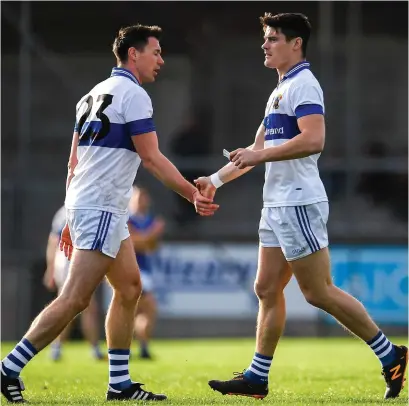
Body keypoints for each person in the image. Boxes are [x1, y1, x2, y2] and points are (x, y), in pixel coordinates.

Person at [1, 24, 218, 403]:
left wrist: (70, 215)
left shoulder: (91, 95)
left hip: (98, 207)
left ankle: (119, 384)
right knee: (74, 300)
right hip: (101, 206)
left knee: (130, 287)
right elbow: (151, 158)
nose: (161, 60)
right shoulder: (133, 95)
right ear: (133, 54)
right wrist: (191, 193)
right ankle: (7, 369)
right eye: (156, 52)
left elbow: (73, 163)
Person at [196, 12, 407, 401]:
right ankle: (257, 379)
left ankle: (391, 354)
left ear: (296, 44)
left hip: (297, 202)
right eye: (265, 38)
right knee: (265, 287)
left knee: (318, 292)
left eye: (273, 38)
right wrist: (215, 180)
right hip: (275, 204)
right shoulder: (280, 89)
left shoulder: (305, 85)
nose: (265, 44)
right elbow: (257, 150)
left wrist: (259, 158)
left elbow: (314, 140)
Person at [43, 205, 105, 361]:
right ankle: (56, 346)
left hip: (83, 259)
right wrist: (50, 268)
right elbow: (54, 241)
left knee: (88, 306)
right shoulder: (65, 211)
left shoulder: (94, 207)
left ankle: (94, 348)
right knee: (66, 305)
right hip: (67, 260)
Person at [128, 186, 164, 360]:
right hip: (131, 270)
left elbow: (151, 246)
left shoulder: (148, 220)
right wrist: (152, 233)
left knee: (142, 312)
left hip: (145, 271)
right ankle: (137, 347)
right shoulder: (128, 220)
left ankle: (141, 346)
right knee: (147, 307)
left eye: (144, 197)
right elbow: (135, 243)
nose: (142, 201)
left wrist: (147, 238)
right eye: (138, 197)